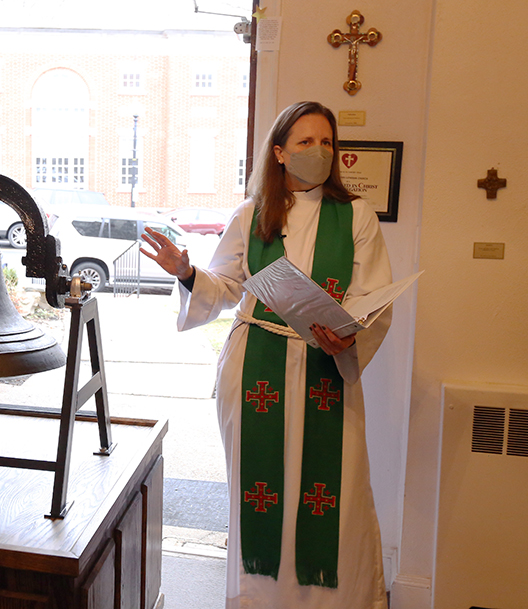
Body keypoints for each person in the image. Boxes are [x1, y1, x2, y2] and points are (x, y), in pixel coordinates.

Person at [141, 101, 392, 608]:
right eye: (305, 142)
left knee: (332, 495)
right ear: (279, 152)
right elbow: (227, 284)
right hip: (256, 365)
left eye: (326, 142)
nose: (318, 151)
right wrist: (186, 273)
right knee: (260, 494)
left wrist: (354, 333)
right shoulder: (252, 213)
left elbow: (373, 297)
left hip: (323, 365)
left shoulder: (356, 215)